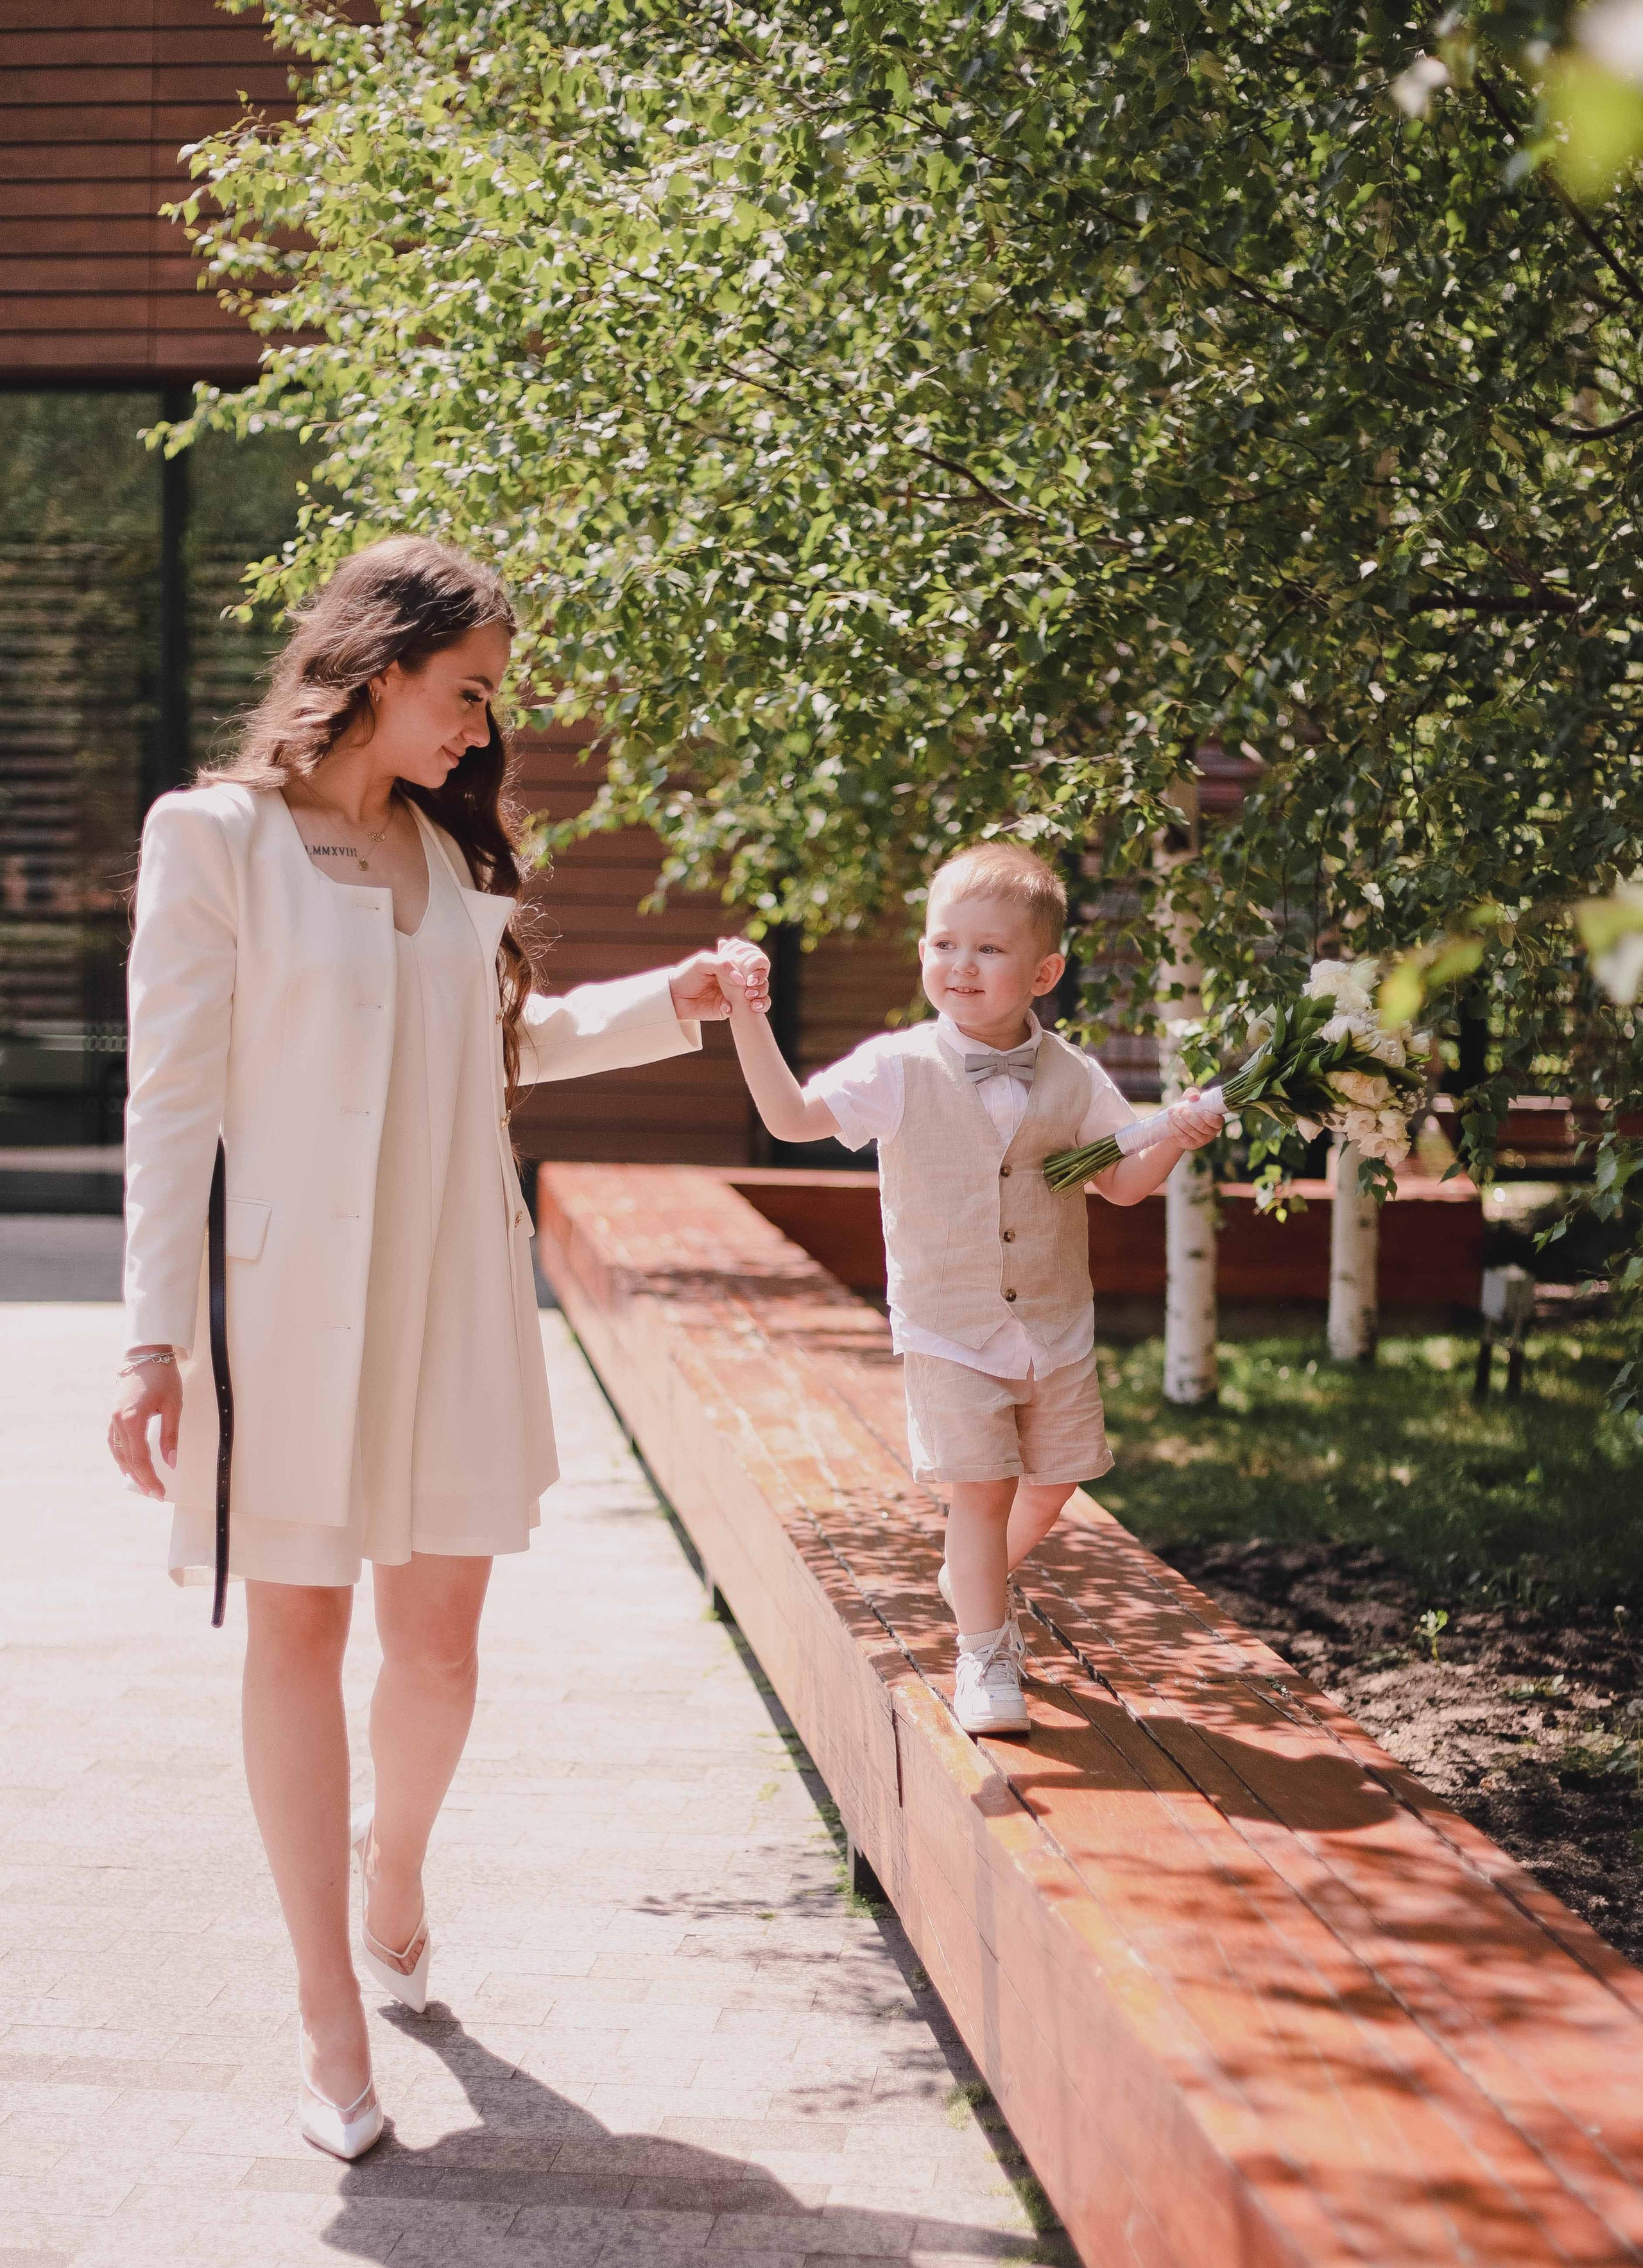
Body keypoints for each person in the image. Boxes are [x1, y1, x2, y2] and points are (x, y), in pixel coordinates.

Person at [107, 537, 768, 2161]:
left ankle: (390, 1866)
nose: (482, 726)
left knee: (444, 1645)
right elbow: (170, 1102)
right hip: (280, 1311)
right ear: (379, 667)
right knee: (297, 1634)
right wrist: (150, 1343)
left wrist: (667, 999)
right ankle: (330, 2022)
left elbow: (494, 1053)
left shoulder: (458, 867)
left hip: (451, 1290)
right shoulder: (215, 839)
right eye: (466, 691)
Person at [719, 842, 1219, 1738]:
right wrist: (746, 1017)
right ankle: (985, 1650)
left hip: (1054, 1323)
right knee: (982, 1488)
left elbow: (1120, 1184)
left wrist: (1176, 1134)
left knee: (1058, 1478)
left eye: (988, 950)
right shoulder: (900, 1067)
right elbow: (790, 1120)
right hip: (950, 1325)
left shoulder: (1074, 1074)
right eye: (943, 944)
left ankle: (967, 1575)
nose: (959, 965)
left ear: (1044, 970)